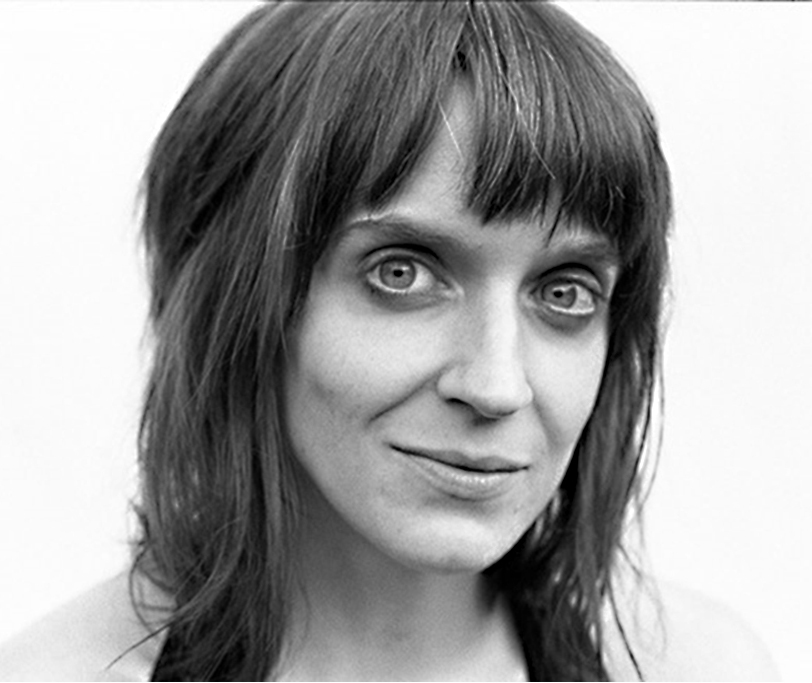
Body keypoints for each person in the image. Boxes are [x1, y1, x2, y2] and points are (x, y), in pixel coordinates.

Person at [0, 2, 778, 681]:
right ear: (233, 301)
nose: (498, 383)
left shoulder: (700, 668)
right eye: (402, 273)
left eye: (563, 291)